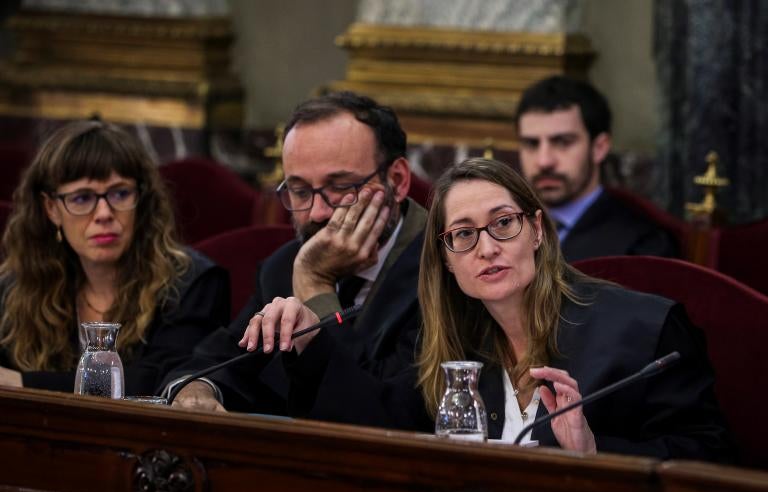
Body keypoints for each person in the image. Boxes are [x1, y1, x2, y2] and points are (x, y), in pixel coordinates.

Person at [259, 158, 734, 462]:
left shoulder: (644, 332)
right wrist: (310, 343)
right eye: (463, 234)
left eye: (503, 224)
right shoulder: (452, 341)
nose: (486, 248)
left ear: (537, 232)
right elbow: (384, 427)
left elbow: (711, 458)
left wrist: (593, 450)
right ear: (447, 260)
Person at [166, 91, 427, 414]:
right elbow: (216, 363)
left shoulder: (446, 270)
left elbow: (380, 413)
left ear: (398, 181)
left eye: (340, 186)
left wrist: (315, 286)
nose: (317, 212)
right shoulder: (282, 267)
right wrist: (199, 388)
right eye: (300, 191)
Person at [0, 120, 230, 395]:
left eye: (120, 193)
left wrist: (22, 383)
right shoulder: (17, 287)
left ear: (141, 199)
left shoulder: (191, 283)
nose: (104, 213)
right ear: (52, 209)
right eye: (82, 198)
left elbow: (161, 382)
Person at [516, 75, 678, 262]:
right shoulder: (500, 228)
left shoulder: (642, 246)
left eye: (563, 142)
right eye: (531, 144)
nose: (544, 161)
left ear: (599, 148)